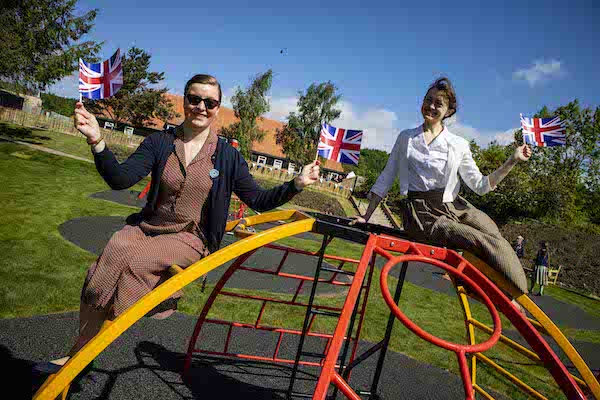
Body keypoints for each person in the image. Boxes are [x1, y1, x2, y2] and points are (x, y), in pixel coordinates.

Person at [36, 74, 320, 373]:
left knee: (139, 263)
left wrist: (297, 183)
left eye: (209, 102)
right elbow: (120, 179)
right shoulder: (160, 142)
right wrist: (97, 141)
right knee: (108, 260)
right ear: (185, 100)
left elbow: (259, 200)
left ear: (218, 108)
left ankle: (95, 348)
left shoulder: (227, 157)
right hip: (147, 227)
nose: (200, 107)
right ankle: (78, 355)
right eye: (194, 99)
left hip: (189, 236)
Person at [350, 77, 531, 308]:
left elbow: (481, 185)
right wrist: (366, 216)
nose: (431, 107)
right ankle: (504, 299)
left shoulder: (458, 144)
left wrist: (512, 161)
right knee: (474, 239)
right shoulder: (407, 138)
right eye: (428, 101)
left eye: (438, 104)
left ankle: (517, 293)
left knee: (491, 231)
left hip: (453, 205)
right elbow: (386, 176)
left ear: (449, 111)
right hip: (421, 214)